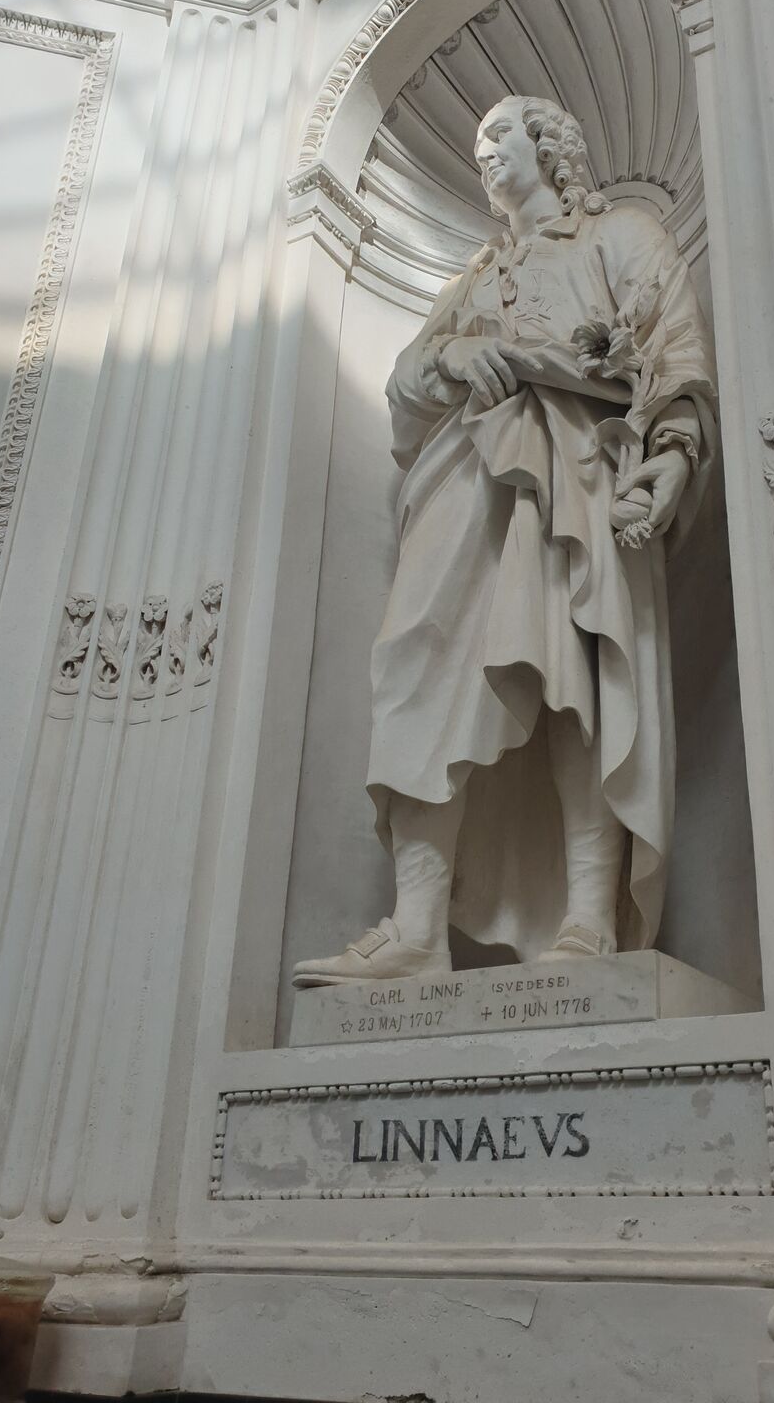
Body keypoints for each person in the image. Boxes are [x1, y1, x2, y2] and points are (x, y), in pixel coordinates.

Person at [293, 95, 717, 985]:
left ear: (551, 145)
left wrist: (674, 456)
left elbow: (671, 353)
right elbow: (408, 388)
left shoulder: (622, 236)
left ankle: (591, 918)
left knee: (573, 676)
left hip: (576, 469)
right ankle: (415, 929)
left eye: (498, 135)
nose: (481, 150)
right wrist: (449, 359)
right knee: (414, 662)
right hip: (461, 482)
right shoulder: (471, 280)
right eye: (476, 138)